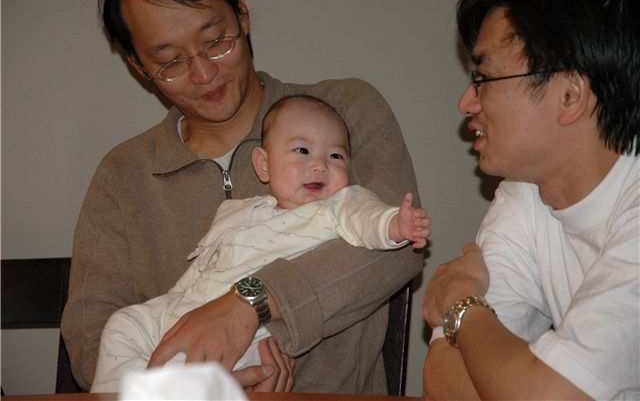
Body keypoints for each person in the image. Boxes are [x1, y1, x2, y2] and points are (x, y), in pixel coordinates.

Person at [60, 0, 424, 394]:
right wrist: (191, 385)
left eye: (215, 41)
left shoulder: (343, 113)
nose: (203, 74)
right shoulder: (124, 175)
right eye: (171, 61)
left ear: (243, 15)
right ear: (138, 66)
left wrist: (251, 304)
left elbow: (399, 251)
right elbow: (91, 337)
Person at [91, 94, 431, 393]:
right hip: (185, 310)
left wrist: (394, 224)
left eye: (336, 156)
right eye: (302, 151)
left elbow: (366, 217)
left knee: (181, 369)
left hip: (252, 338)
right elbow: (203, 265)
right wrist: (175, 306)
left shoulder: (334, 210)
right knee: (124, 324)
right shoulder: (238, 212)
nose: (319, 165)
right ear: (264, 165)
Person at [422, 0, 639, 400]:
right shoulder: (526, 192)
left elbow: (543, 395)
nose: (466, 103)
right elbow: (443, 381)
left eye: (483, 77)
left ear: (570, 95)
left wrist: (461, 303)